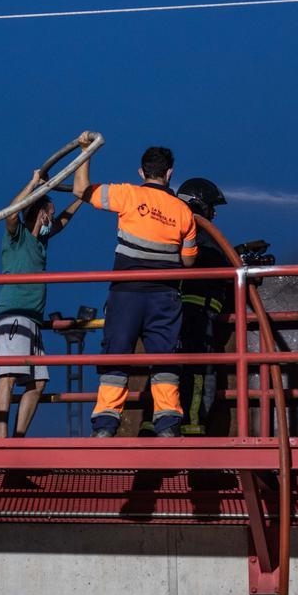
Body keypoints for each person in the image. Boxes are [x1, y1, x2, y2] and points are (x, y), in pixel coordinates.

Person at [70, 132, 198, 437]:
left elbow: (79, 190)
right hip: (164, 297)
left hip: (126, 293)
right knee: (164, 360)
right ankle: (168, 426)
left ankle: (105, 427)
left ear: (141, 173)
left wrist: (86, 152)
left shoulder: (127, 195)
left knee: (117, 356)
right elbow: (190, 261)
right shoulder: (184, 211)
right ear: (170, 173)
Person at [0, 171, 83, 438]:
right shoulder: (17, 235)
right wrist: (32, 183)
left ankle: (18, 439)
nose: (52, 219)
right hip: (14, 315)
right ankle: (1, 441)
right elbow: (11, 213)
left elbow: (63, 223)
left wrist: (81, 198)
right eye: (49, 213)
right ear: (39, 213)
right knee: (8, 375)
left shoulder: (41, 241)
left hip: (32, 320)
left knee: (39, 381)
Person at [175, 178, 229, 436]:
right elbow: (216, 262)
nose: (214, 212)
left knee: (169, 369)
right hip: (197, 310)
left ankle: (154, 424)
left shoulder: (177, 225)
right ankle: (193, 425)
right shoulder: (198, 228)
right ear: (199, 203)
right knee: (200, 369)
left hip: (179, 310)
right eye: (211, 206)